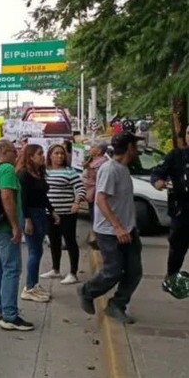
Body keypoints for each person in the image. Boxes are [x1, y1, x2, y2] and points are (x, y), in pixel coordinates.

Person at [79, 132, 143, 324]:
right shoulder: (109, 169)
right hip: (109, 232)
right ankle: (87, 291)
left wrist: (127, 227)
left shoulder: (123, 169)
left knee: (134, 272)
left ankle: (117, 305)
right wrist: (117, 227)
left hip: (128, 229)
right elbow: (100, 199)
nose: (137, 150)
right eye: (135, 146)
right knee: (113, 271)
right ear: (129, 147)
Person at [0, 139, 35, 331]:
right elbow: (7, 197)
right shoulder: (7, 170)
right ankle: (10, 315)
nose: (17, 153)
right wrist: (15, 226)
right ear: (5, 151)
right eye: (14, 150)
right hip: (4, 228)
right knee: (11, 268)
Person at [16, 144, 57, 303]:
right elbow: (23, 200)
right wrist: (27, 219)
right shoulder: (24, 175)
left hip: (40, 212)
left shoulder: (38, 173)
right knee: (34, 251)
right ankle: (29, 287)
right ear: (31, 156)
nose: (42, 156)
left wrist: (51, 210)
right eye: (39, 154)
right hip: (31, 214)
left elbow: (42, 196)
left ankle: (34, 283)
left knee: (38, 250)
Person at [151, 124, 189, 288]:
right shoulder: (176, 156)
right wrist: (158, 181)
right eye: (188, 132)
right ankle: (171, 278)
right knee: (177, 249)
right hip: (181, 211)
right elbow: (158, 172)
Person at [42, 144, 86, 284]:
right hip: (50, 213)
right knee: (54, 242)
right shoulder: (44, 172)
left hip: (67, 213)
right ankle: (56, 269)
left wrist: (77, 202)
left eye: (62, 153)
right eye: (56, 153)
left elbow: (81, 189)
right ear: (50, 155)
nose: (60, 156)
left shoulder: (70, 172)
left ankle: (73, 273)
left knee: (70, 241)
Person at [82, 141, 109, 207]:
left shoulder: (102, 162)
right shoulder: (91, 159)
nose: (90, 149)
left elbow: (96, 177)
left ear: (99, 151)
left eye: (92, 147)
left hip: (96, 195)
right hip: (90, 193)